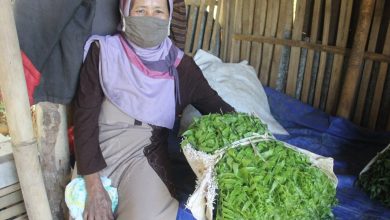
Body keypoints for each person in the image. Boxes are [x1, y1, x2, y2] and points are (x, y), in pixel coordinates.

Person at [73, 0, 234, 219]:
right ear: (125, 13)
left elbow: (219, 110)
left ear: (168, 18)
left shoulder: (181, 67)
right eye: (140, 10)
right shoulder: (103, 53)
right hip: (96, 156)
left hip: (143, 159)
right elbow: (84, 119)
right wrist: (93, 186)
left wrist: (258, 137)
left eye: (158, 11)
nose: (149, 17)